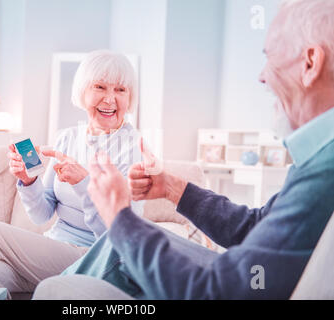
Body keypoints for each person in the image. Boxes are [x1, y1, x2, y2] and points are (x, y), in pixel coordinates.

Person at [33, 0, 334, 300]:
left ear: (310, 63)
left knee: (54, 290)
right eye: (100, 88)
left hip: (231, 286)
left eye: (270, 57)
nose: (262, 76)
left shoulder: (324, 171)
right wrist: (171, 187)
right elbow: (255, 226)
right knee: (95, 259)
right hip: (239, 278)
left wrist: (119, 216)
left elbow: (225, 291)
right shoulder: (319, 159)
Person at [0, 50, 144, 299]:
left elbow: (117, 233)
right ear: (83, 91)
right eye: (100, 87)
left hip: (97, 256)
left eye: (120, 90)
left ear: (130, 96)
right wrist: (29, 180)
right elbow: (41, 214)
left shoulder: (133, 149)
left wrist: (84, 183)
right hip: (56, 245)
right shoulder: (67, 138)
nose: (110, 99)